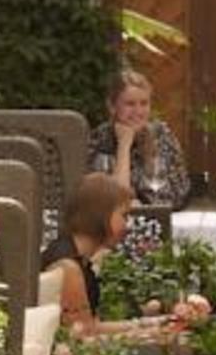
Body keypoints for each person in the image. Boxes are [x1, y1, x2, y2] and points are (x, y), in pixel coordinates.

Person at [40, 173, 204, 340]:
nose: (128, 225)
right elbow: (82, 336)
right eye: (124, 216)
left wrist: (159, 323)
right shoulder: (68, 267)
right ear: (101, 215)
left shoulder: (78, 259)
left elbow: (91, 325)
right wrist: (149, 334)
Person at [86, 69, 192, 209]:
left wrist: (139, 201)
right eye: (130, 104)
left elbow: (178, 194)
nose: (138, 111)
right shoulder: (99, 139)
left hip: (159, 220)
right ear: (112, 107)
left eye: (144, 103)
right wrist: (124, 145)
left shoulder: (161, 135)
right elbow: (108, 202)